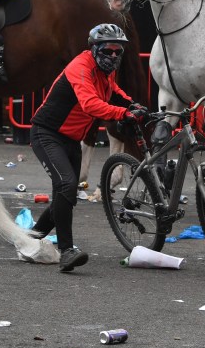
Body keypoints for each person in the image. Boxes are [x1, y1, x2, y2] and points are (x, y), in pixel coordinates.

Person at [28, 24, 147, 272]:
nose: (113, 56)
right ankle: (67, 251)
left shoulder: (105, 71)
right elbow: (91, 104)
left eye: (118, 51)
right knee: (66, 185)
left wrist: (134, 105)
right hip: (47, 133)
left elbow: (113, 92)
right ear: (94, 49)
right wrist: (124, 113)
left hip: (71, 139)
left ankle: (32, 237)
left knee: (67, 194)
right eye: (108, 50)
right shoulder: (80, 67)